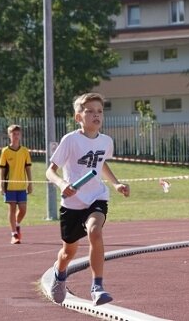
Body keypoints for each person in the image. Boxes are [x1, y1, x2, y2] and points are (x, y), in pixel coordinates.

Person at [46, 93, 130, 306]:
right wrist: (63, 184)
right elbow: (50, 171)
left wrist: (116, 183)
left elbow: (101, 164)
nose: (96, 115)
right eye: (90, 111)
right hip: (72, 204)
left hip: (96, 198)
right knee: (68, 252)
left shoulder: (106, 141)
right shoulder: (70, 140)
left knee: (95, 230)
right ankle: (60, 272)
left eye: (100, 111)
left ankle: (97, 287)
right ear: (78, 117)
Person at [0, 124, 33, 244]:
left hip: (21, 186)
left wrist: (30, 183)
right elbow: (2, 170)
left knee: (23, 210)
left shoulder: (24, 151)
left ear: (21, 135)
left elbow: (28, 168)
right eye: (13, 134)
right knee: (12, 209)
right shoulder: (5, 151)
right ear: (9, 135)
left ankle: (16, 224)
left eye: (18, 134)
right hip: (10, 186)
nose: (16, 136)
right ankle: (14, 234)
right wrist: (1, 185)